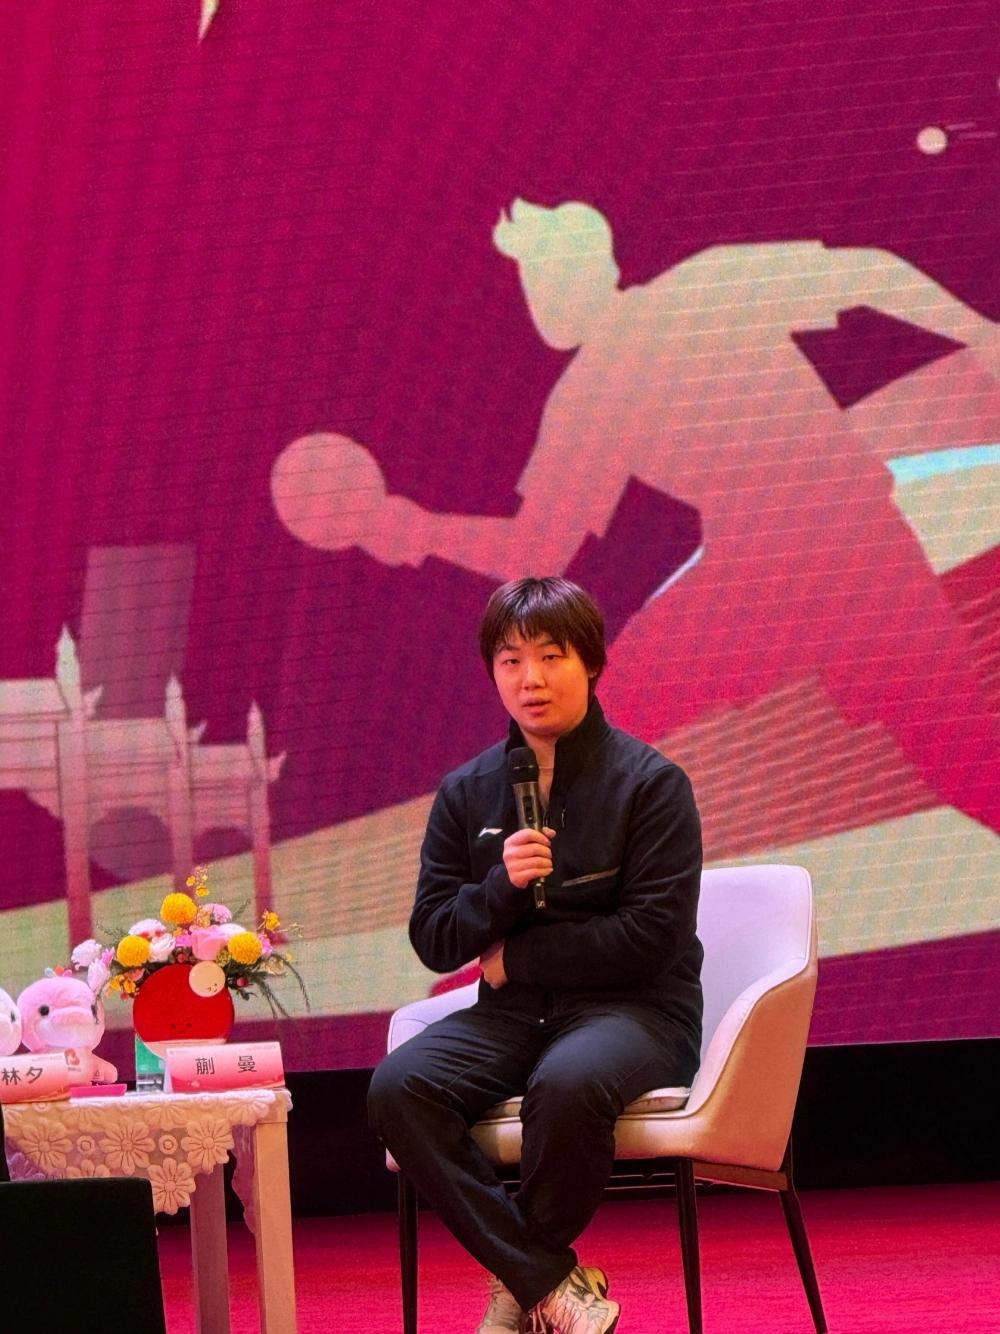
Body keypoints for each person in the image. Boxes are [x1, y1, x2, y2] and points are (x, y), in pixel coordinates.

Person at [368, 576, 704, 1334]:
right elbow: (434, 936)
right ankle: (546, 1281)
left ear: (592, 663)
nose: (532, 679)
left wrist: (517, 961)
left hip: (637, 1012)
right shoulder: (467, 791)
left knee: (569, 1083)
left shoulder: (651, 785)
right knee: (398, 1088)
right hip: (514, 1017)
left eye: (552, 657)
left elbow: (650, 938)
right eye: (511, 661)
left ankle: (517, 1291)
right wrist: (501, 887)